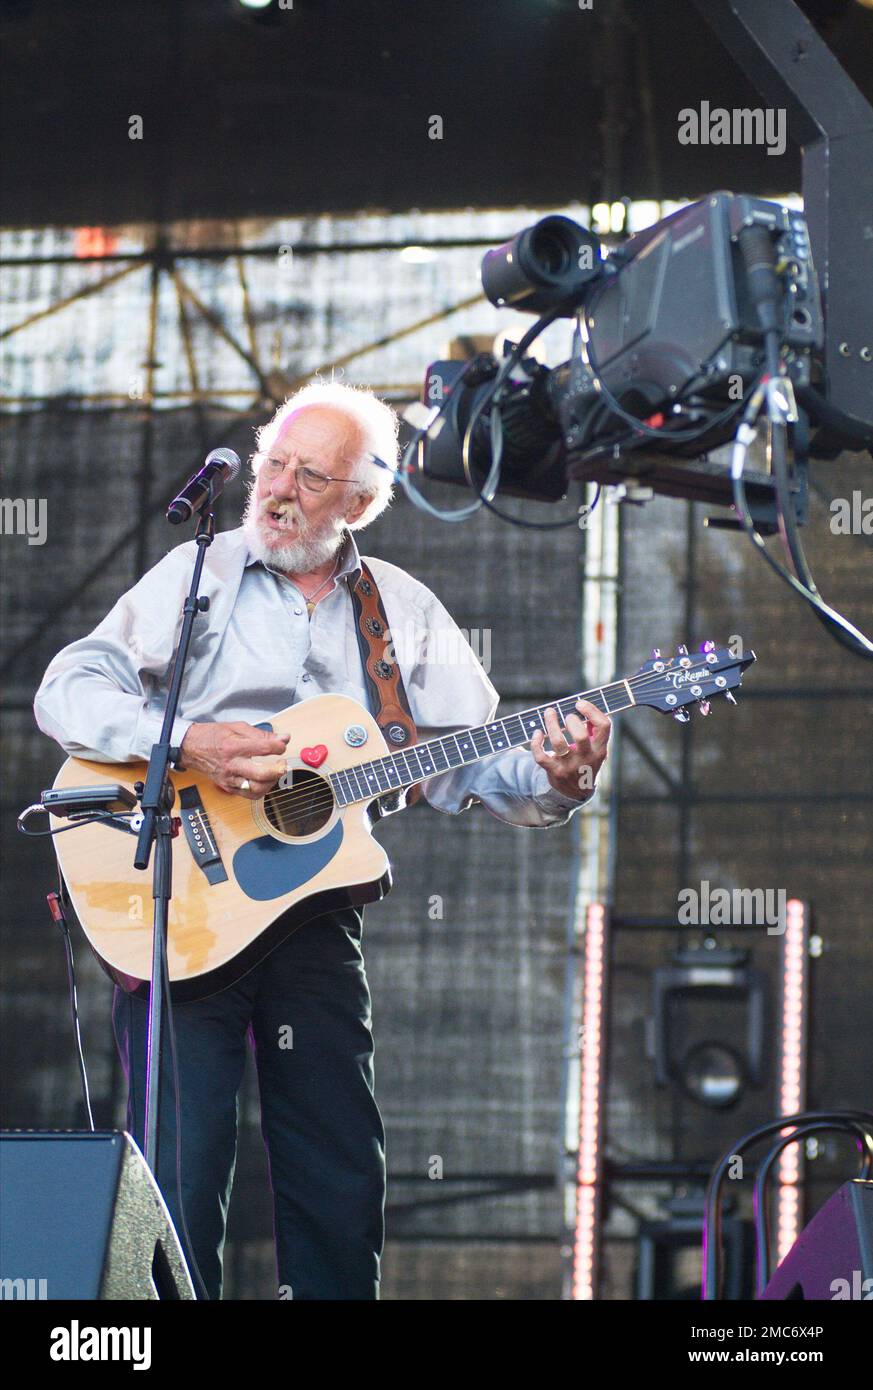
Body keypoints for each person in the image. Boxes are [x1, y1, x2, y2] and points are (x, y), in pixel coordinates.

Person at [33, 381, 611, 1300]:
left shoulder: (400, 609)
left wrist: (561, 776)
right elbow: (66, 690)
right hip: (182, 910)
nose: (279, 488)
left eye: (310, 476)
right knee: (176, 1176)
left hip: (313, 917)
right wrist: (187, 740)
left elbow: (473, 758)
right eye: (273, 464)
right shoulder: (198, 577)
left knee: (340, 1174)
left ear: (359, 501)